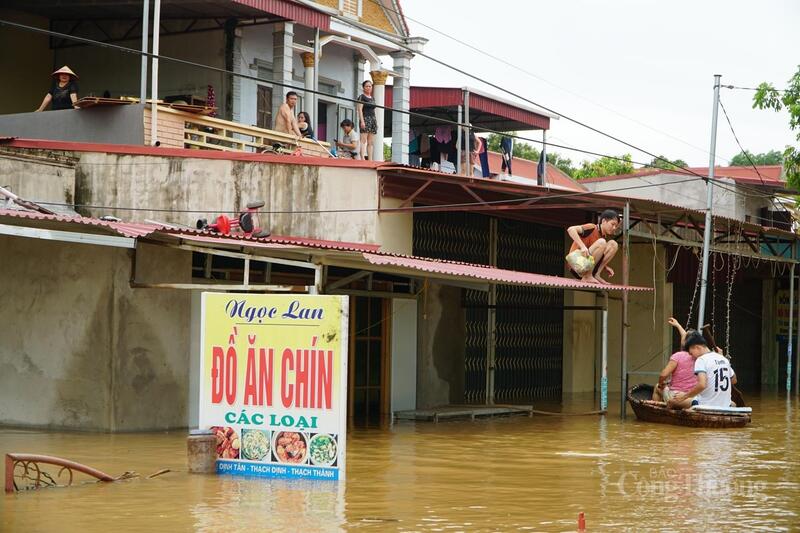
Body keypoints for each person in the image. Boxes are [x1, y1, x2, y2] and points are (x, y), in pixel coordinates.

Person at [668, 331, 738, 410]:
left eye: (691, 353)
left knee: (671, 402)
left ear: (697, 347)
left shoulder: (701, 360)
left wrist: (684, 397)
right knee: (733, 404)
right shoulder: (723, 359)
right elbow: (734, 380)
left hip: (705, 404)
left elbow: (702, 385)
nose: (691, 356)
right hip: (725, 405)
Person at [566, 209, 621, 284]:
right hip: (577, 265)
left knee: (613, 244)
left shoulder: (603, 236)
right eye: (612, 224)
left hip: (588, 266)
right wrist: (582, 246)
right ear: (604, 221)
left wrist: (605, 266)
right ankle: (587, 276)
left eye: (616, 226)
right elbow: (570, 229)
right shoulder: (591, 227)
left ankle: (596, 274)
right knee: (602, 242)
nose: (614, 228)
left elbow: (595, 254)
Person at [651, 318, 697, 402]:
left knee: (657, 387)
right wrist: (678, 325)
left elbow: (663, 375)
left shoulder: (677, 356)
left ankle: (656, 410)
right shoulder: (699, 356)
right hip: (692, 396)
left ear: (685, 342)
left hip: (676, 396)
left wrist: (661, 384)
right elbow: (686, 337)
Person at [357, 80, 376, 160]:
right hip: (365, 118)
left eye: (370, 86)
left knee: (371, 142)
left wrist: (375, 121)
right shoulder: (362, 97)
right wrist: (362, 121)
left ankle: (370, 159)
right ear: (363, 88)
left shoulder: (373, 98)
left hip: (373, 119)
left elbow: (373, 110)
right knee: (363, 140)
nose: (368, 88)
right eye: (367, 86)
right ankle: (362, 157)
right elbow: (360, 109)